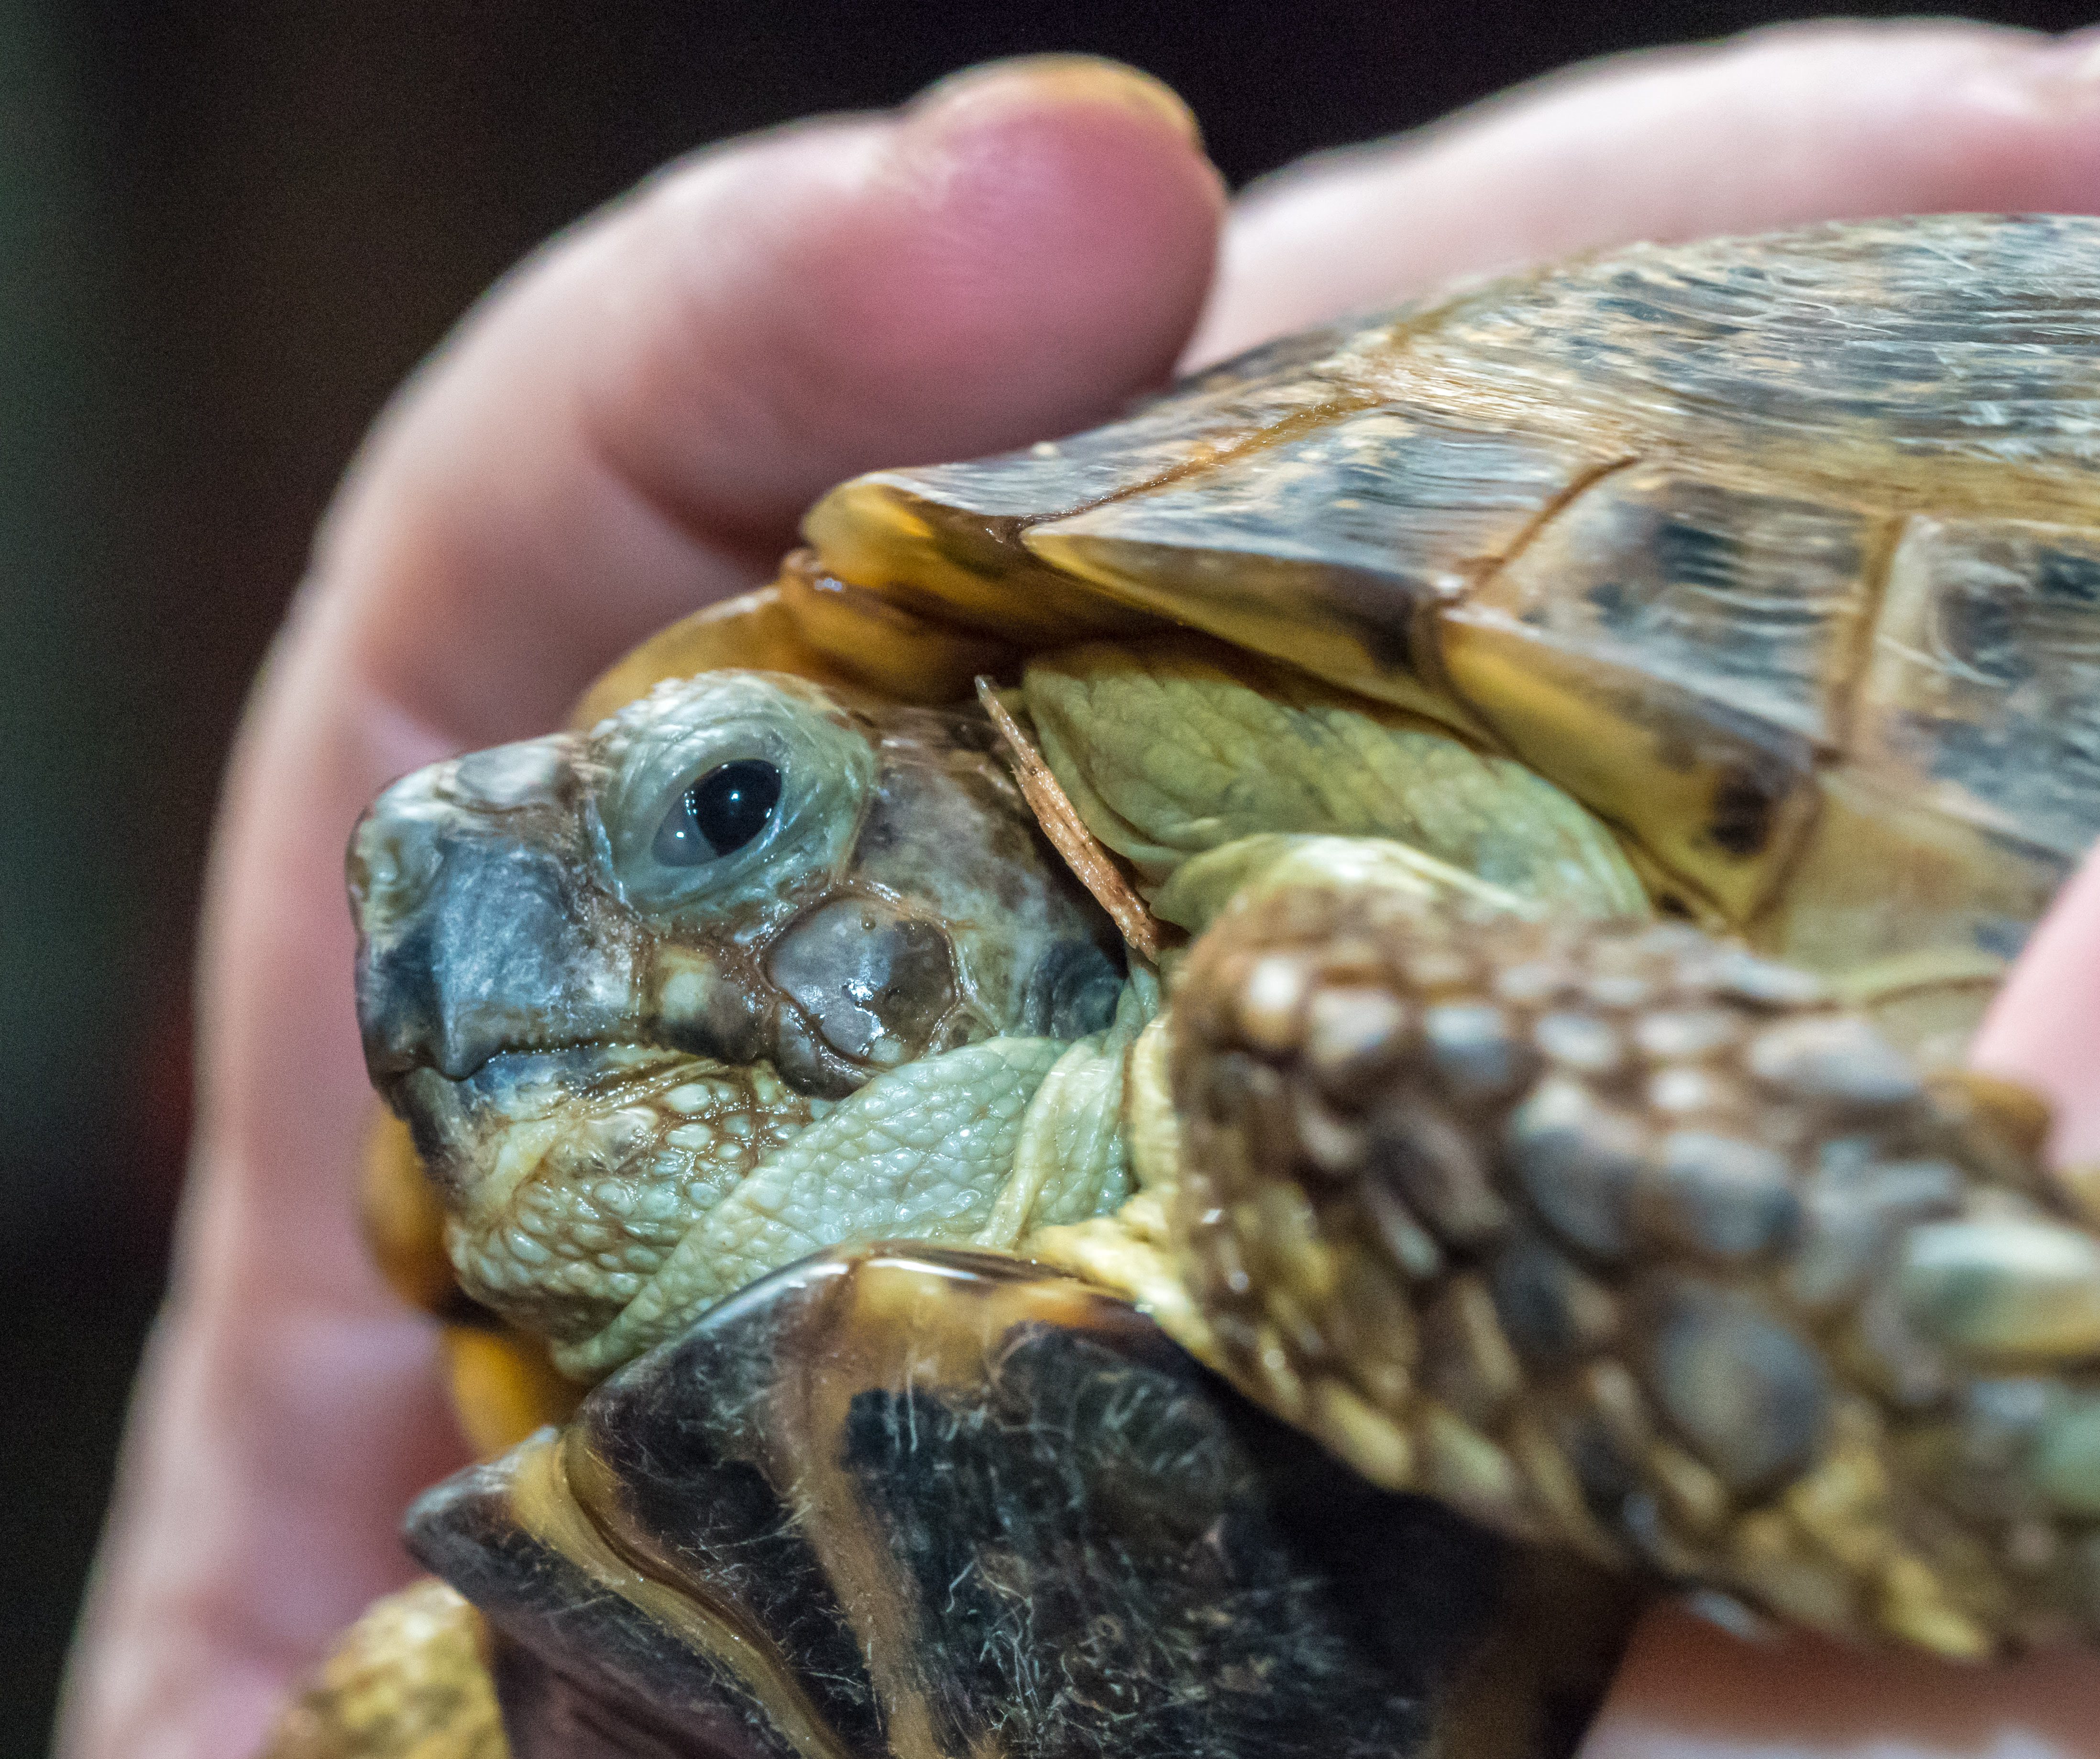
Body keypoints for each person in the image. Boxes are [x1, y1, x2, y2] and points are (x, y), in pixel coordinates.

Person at [56, 26, 2100, 1759]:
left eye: (733, 806)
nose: (465, 946)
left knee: (1328, 1040)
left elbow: (1369, 1047)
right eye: (402, 956)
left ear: (1016, 826)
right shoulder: (508, 1640)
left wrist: (1970, 1382)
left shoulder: (1327, 999)